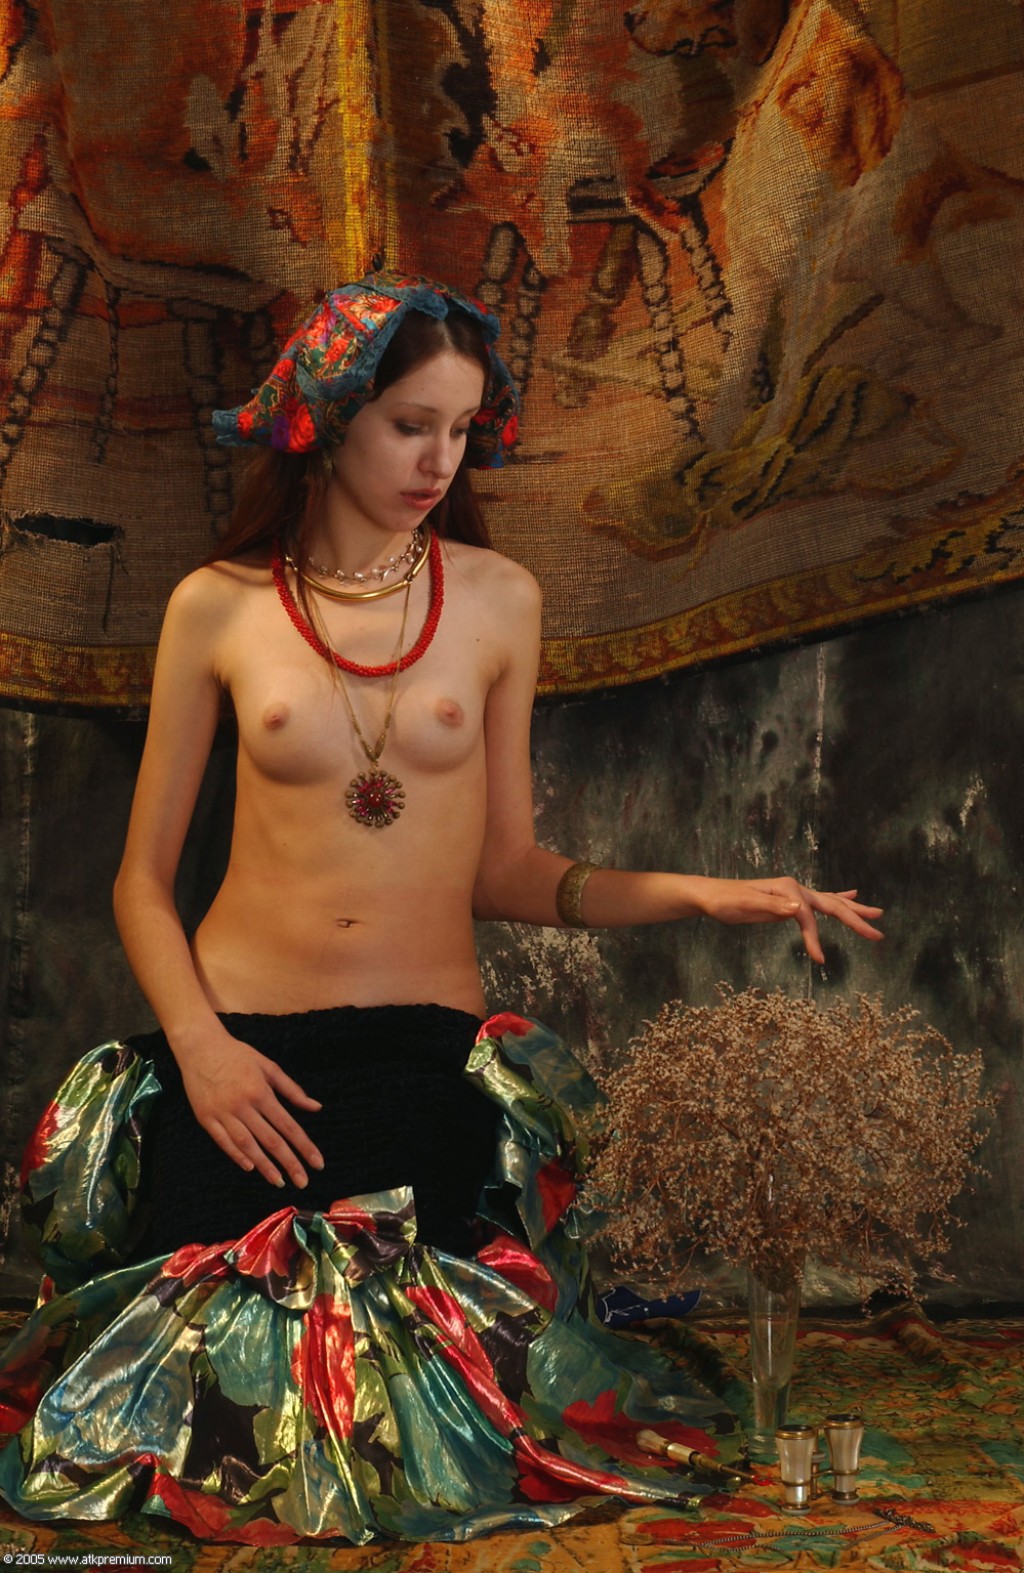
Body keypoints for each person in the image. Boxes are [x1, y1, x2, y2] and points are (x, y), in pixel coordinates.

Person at [0, 271, 883, 1546]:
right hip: (242, 1053)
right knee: (209, 1402)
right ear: (325, 419)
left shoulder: (498, 598)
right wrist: (199, 1050)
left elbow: (505, 869)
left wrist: (706, 892)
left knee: (419, 1396)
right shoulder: (217, 604)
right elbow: (142, 879)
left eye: (462, 429)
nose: (439, 460)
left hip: (420, 1045)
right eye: (411, 424)